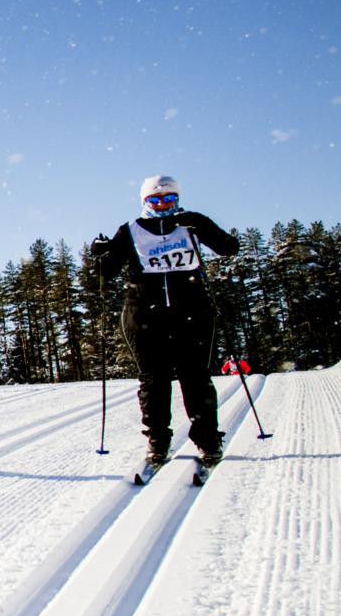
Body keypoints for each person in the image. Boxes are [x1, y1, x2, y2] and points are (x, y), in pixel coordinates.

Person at [88, 174, 239, 476]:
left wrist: (204, 226)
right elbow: (104, 277)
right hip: (144, 316)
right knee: (153, 380)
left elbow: (229, 247)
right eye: (155, 199)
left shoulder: (190, 224)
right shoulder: (130, 230)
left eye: (169, 198)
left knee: (195, 378)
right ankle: (157, 441)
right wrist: (100, 253)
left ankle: (208, 441)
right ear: (145, 201)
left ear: (177, 199)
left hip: (192, 312)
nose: (162, 205)